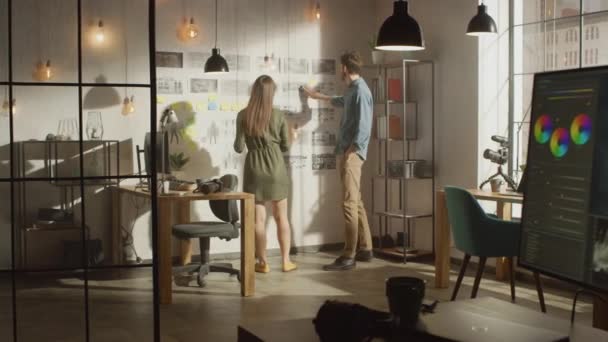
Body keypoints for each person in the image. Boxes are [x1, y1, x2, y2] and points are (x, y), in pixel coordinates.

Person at [303, 51, 373, 271]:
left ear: (344, 68)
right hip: (347, 151)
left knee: (349, 204)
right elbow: (341, 101)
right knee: (356, 200)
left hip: (352, 154)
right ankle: (366, 248)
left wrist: (352, 151)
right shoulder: (353, 89)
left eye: (339, 68)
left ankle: (348, 255)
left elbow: (363, 126)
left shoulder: (361, 90)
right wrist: (318, 97)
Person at [234, 75, 297, 273]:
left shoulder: (243, 115)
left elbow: (238, 147)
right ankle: (286, 261)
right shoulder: (278, 115)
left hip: (254, 171)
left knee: (257, 221)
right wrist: (293, 135)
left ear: (254, 91)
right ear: (271, 93)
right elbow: (285, 146)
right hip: (276, 169)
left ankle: (263, 263)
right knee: (282, 218)